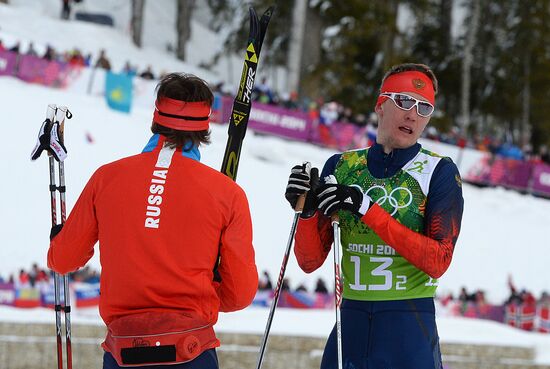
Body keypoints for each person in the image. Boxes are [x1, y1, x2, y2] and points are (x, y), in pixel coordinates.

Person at [48, 73, 258, 369]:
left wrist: (58, 239)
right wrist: (210, 287)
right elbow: (239, 296)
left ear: (155, 118)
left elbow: (62, 260)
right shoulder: (227, 194)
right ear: (204, 128)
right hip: (191, 348)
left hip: (125, 350)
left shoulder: (106, 178)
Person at [285, 63, 464, 369]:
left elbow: (438, 260)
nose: (413, 114)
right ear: (381, 104)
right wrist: (306, 210)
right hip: (351, 323)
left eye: (425, 108)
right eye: (404, 101)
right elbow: (309, 261)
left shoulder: (439, 171)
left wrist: (366, 208)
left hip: (408, 328)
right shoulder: (341, 166)